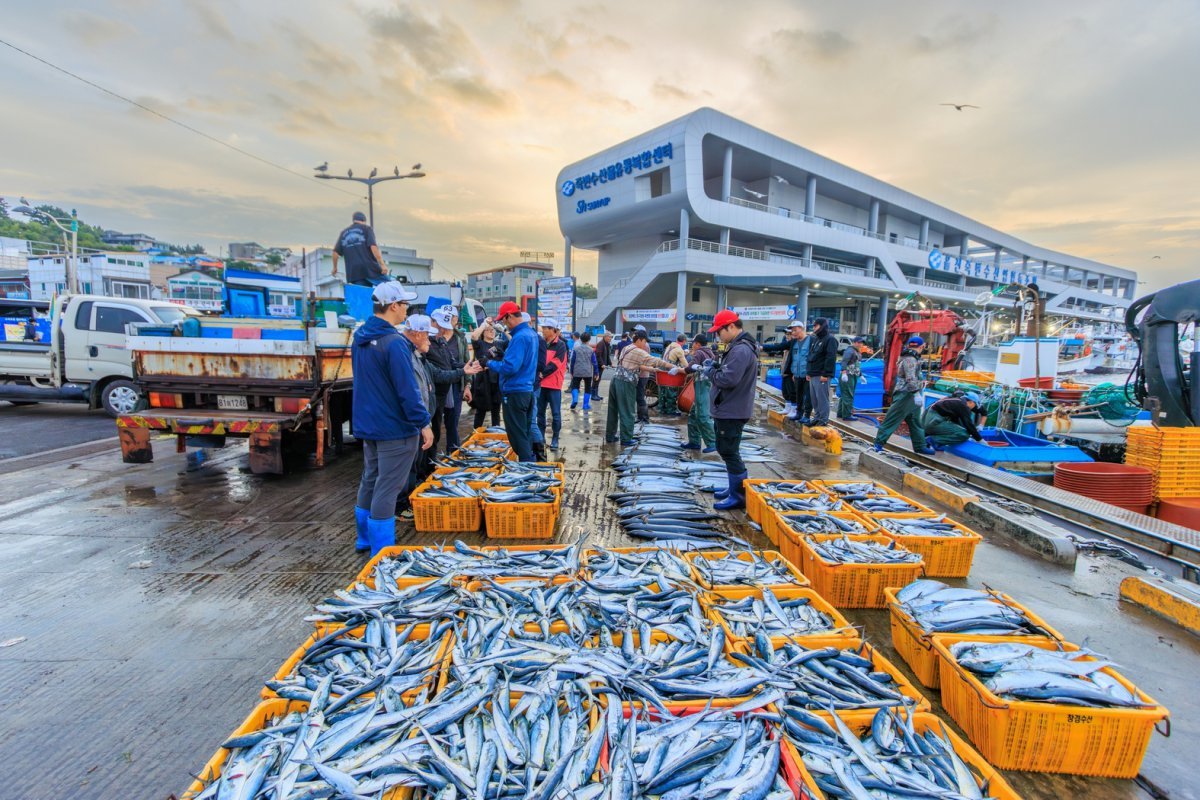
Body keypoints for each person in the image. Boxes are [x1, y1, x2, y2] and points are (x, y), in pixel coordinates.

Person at [350, 283, 431, 555]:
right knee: (388, 486)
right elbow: (407, 391)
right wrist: (423, 423)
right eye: (405, 304)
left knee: (370, 479)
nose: (407, 309)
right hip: (395, 428)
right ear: (393, 305)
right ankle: (381, 551)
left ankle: (364, 539)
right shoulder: (395, 343)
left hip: (369, 425)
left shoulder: (360, 336)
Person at [702, 309, 759, 510]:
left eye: (720, 331)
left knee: (729, 451)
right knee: (726, 449)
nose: (718, 335)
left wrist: (711, 372)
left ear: (731, 327)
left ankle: (739, 496)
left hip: (732, 409)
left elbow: (729, 379)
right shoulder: (738, 347)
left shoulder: (741, 349)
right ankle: (733, 488)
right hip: (729, 407)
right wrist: (717, 367)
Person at [606, 330, 680, 446]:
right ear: (640, 340)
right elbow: (656, 360)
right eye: (645, 341)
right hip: (625, 383)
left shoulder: (627, 347)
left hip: (615, 381)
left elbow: (638, 365)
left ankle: (610, 436)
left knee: (613, 410)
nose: (646, 344)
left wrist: (653, 370)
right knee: (628, 411)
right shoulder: (638, 351)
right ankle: (626, 439)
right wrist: (674, 367)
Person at [426, 305, 481, 455]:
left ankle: (453, 453)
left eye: (452, 318)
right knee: (433, 426)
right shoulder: (428, 343)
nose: (447, 325)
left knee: (451, 423)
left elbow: (455, 362)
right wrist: (463, 369)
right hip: (436, 390)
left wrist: (467, 377)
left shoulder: (458, 338)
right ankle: (427, 464)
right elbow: (437, 373)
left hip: (454, 385)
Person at [489, 301, 539, 461]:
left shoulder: (519, 337)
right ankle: (532, 463)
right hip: (527, 391)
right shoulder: (531, 334)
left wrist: (488, 363)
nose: (504, 323)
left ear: (509, 316)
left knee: (518, 437)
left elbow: (510, 367)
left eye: (503, 319)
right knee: (525, 432)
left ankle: (527, 469)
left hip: (515, 393)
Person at [873, 336, 934, 455]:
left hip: (911, 395)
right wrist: (916, 393)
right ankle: (878, 443)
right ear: (921, 346)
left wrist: (920, 385)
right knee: (892, 419)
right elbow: (910, 378)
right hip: (906, 395)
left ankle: (920, 446)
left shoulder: (908, 357)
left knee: (915, 421)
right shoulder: (910, 359)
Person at [537, 317, 570, 451]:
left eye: (545, 328)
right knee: (540, 414)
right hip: (540, 384)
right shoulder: (541, 343)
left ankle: (555, 438)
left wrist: (542, 373)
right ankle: (541, 438)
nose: (543, 330)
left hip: (554, 385)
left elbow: (556, 363)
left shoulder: (561, 345)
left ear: (553, 330)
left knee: (556, 414)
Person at [331, 211, 390, 287]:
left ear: (354, 220)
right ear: (364, 220)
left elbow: (335, 253)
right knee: (391, 287)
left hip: (354, 273)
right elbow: (373, 247)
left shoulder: (343, 233)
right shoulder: (367, 229)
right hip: (370, 269)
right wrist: (382, 265)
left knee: (363, 295)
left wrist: (335, 268)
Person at [681, 334, 717, 453]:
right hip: (706, 384)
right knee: (693, 414)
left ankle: (712, 442)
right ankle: (694, 442)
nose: (692, 346)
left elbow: (690, 367)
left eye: (694, 343)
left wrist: (681, 370)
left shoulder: (699, 352)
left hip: (702, 385)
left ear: (698, 344)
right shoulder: (710, 352)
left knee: (702, 415)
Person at [468, 317, 503, 428]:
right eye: (488, 330)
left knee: (496, 410)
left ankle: (495, 433)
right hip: (483, 380)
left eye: (493, 330)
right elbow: (473, 336)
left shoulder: (499, 344)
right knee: (481, 410)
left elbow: (512, 340)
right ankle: (476, 432)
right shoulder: (480, 344)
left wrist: (503, 331)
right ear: (483, 333)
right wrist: (484, 325)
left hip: (497, 379)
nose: (491, 332)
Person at [805, 317, 838, 427]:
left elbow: (830, 357)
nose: (814, 328)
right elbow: (811, 356)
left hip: (821, 375)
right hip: (813, 373)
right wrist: (808, 372)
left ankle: (823, 420)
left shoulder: (830, 339)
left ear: (822, 326)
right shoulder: (816, 339)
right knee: (814, 399)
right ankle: (817, 417)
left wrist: (826, 374)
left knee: (822, 398)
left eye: (816, 325)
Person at [659, 334, 690, 416]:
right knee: (671, 390)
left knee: (663, 390)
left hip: (662, 369)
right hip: (670, 371)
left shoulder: (670, 345)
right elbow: (685, 365)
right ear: (684, 341)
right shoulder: (679, 349)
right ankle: (671, 410)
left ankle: (662, 409)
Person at [569, 332, 598, 411]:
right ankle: (585, 405)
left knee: (575, 386)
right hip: (587, 372)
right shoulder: (591, 350)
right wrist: (596, 373)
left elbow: (572, 361)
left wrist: (571, 372)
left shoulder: (576, 349)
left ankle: (575, 400)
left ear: (580, 339)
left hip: (577, 371)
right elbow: (594, 362)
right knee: (587, 388)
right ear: (589, 339)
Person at [837, 336, 864, 420]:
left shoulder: (856, 352)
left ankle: (841, 413)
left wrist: (861, 375)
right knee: (848, 395)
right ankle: (847, 415)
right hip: (848, 376)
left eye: (861, 343)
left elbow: (857, 366)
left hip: (853, 375)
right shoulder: (849, 350)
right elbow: (844, 362)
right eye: (859, 342)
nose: (860, 344)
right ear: (854, 342)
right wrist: (844, 372)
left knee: (844, 395)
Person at [592, 331, 613, 400]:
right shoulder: (601, 344)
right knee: (596, 379)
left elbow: (607, 355)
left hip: (601, 366)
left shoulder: (606, 344)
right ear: (605, 337)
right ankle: (593, 395)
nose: (610, 338)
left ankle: (596, 394)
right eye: (609, 337)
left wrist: (610, 363)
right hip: (598, 365)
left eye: (611, 337)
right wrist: (602, 364)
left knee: (598, 379)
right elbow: (598, 355)